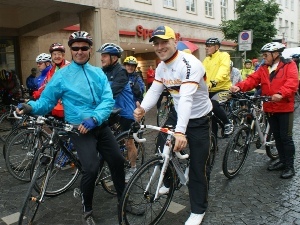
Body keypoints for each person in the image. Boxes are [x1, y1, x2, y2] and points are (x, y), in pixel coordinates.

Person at [17, 31, 127, 225]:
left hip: (99, 125)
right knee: (90, 169)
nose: (79, 51)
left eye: (84, 48)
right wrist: (29, 107)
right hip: (78, 129)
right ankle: (87, 210)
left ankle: (123, 200)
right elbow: (47, 101)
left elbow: (107, 99)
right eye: (75, 48)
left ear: (90, 50)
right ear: (71, 50)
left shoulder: (98, 72)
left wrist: (95, 117)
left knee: (118, 161)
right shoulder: (62, 76)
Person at [133, 25, 213, 225]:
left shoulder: (189, 64)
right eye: (156, 43)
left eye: (164, 42)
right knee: (162, 147)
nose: (160, 47)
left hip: (199, 118)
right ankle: (169, 181)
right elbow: (154, 91)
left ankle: (198, 210)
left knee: (197, 167)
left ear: (174, 42)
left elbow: (186, 98)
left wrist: (180, 132)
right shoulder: (161, 66)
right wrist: (142, 108)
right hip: (178, 114)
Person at [230, 42, 298, 179]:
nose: (264, 57)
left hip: (284, 107)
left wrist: (281, 93)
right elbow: (253, 80)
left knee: (286, 138)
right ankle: (282, 161)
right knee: (277, 137)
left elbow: (292, 82)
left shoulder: (289, 65)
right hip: (270, 107)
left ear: (276, 54)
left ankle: (289, 166)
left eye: (266, 55)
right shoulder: (263, 68)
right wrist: (239, 86)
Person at [97, 43, 138, 183]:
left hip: (126, 113)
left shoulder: (121, 71)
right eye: (101, 55)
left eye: (104, 55)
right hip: (112, 112)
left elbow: (111, 92)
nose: (101, 58)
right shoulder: (104, 71)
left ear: (114, 57)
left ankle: (133, 168)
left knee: (129, 142)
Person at [202, 37, 233, 137]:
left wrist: (215, 81)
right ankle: (213, 140)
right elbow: (200, 73)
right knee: (210, 115)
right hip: (209, 89)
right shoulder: (206, 60)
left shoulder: (224, 55)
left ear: (216, 47)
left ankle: (227, 123)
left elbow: (223, 70)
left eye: (209, 46)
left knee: (214, 104)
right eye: (206, 46)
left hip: (223, 89)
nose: (206, 48)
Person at [32, 43, 70, 118]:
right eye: (54, 54)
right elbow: (46, 86)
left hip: (67, 109)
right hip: (55, 108)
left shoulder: (69, 67)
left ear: (63, 55)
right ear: (51, 57)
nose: (56, 56)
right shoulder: (51, 71)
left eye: (59, 54)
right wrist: (34, 96)